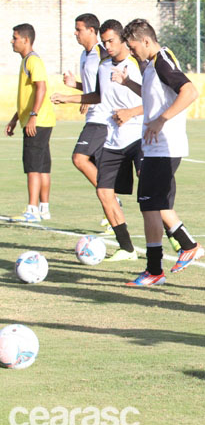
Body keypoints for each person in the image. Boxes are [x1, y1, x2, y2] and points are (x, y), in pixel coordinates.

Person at [116, 19, 203, 286]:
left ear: (145, 41)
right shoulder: (152, 65)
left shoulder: (163, 60)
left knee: (150, 206)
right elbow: (154, 97)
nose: (131, 52)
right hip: (156, 148)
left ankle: (155, 269)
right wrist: (129, 83)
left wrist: (161, 120)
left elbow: (189, 91)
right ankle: (186, 247)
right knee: (155, 205)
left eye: (132, 47)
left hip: (164, 147)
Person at [51, 19, 144, 262]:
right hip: (110, 129)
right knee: (103, 189)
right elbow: (98, 92)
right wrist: (72, 93)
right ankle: (127, 247)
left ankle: (176, 237)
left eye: (111, 41)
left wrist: (131, 112)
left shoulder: (131, 62)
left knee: (147, 189)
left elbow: (155, 98)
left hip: (127, 130)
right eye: (105, 42)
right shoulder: (98, 62)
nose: (108, 46)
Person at [6, 23, 56, 222]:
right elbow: (27, 96)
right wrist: (14, 118)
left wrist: (33, 116)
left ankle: (32, 209)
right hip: (41, 120)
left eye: (15, 37)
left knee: (33, 166)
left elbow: (41, 88)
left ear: (26, 40)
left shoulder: (33, 61)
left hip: (38, 121)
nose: (12, 40)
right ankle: (44, 208)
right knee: (43, 166)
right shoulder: (26, 61)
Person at [64, 14, 109, 190]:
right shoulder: (85, 55)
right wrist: (75, 85)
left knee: (79, 158)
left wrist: (72, 99)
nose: (75, 33)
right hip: (92, 118)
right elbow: (93, 87)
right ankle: (111, 208)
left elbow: (106, 88)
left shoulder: (102, 54)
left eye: (79, 29)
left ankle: (111, 198)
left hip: (102, 118)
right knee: (97, 166)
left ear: (92, 30)